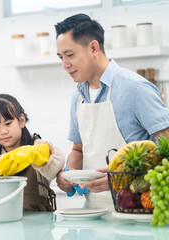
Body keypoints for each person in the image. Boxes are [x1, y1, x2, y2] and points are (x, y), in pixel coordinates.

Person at [55, 13, 169, 209]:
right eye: (61, 57)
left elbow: (166, 148)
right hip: (93, 211)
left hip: (136, 208)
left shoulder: (135, 88)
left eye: (70, 55)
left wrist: (122, 176)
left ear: (93, 48)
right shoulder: (78, 97)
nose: (65, 64)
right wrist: (69, 174)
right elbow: (78, 149)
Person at [0, 94, 65, 211]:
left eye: (8, 123)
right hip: (2, 220)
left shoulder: (36, 146)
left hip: (39, 222)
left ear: (21, 121)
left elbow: (56, 165)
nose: (3, 131)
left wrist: (34, 153)